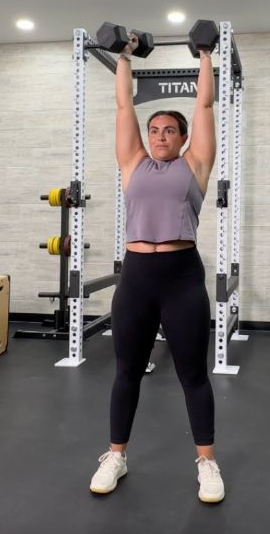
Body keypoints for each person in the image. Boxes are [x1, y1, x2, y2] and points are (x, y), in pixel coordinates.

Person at [88, 33, 224, 504]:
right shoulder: (132, 164)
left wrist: (205, 55)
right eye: (155, 130)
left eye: (169, 130)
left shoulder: (196, 165)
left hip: (181, 277)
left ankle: (207, 462)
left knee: (193, 374)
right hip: (137, 279)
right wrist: (124, 57)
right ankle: (116, 456)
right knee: (126, 371)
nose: (160, 136)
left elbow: (204, 106)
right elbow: (123, 106)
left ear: (183, 138)